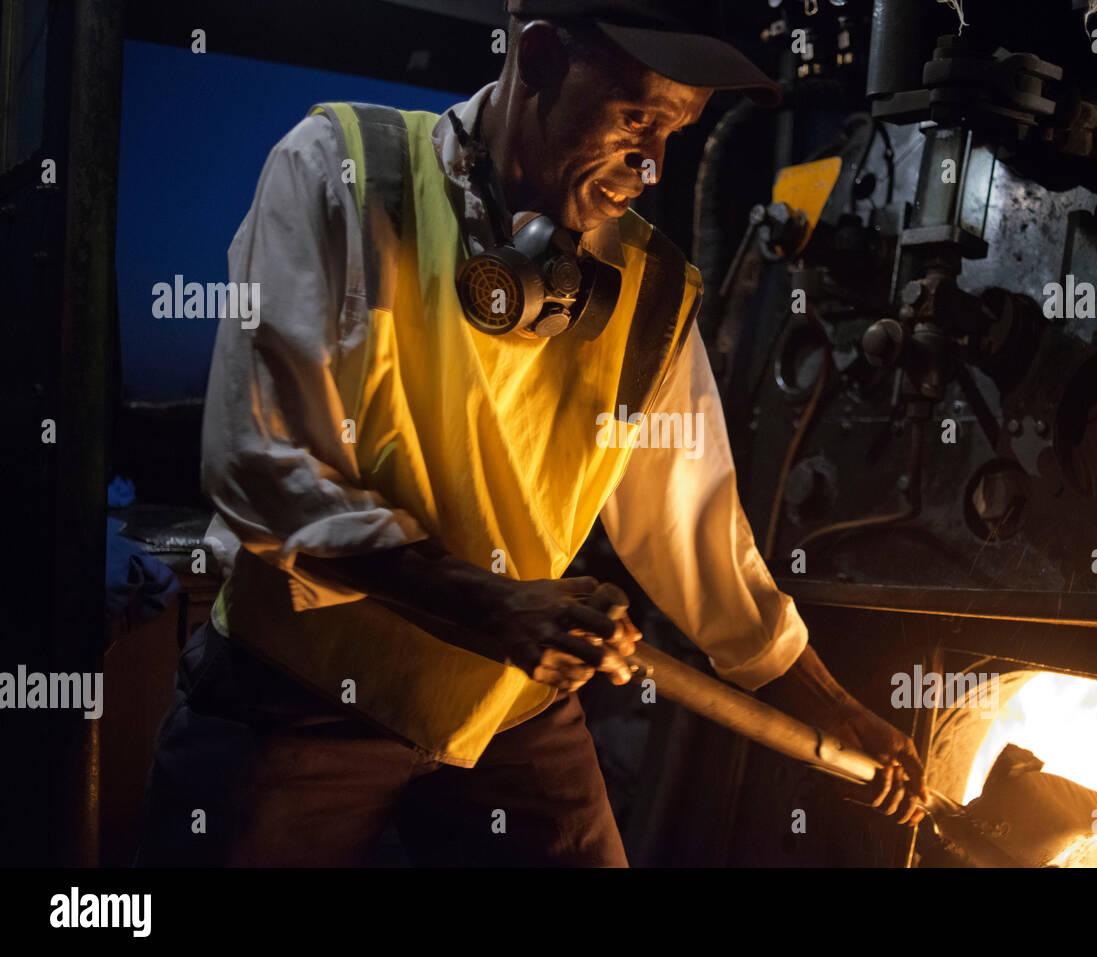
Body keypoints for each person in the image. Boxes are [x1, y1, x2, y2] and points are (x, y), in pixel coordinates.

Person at [137, 0, 927, 868]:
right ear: (541, 57)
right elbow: (260, 465)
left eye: (678, 132)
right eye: (637, 118)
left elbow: (704, 546)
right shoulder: (339, 171)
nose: (654, 165)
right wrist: (494, 604)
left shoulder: (648, 288)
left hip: (506, 703)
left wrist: (835, 709)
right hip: (296, 697)